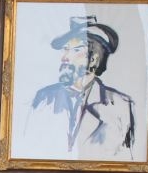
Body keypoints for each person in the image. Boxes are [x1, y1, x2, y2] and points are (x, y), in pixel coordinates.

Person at [25, 17, 136, 159]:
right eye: (65, 49)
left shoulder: (120, 106)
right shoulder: (43, 98)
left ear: (94, 59)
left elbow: (127, 163)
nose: (64, 57)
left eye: (75, 49)